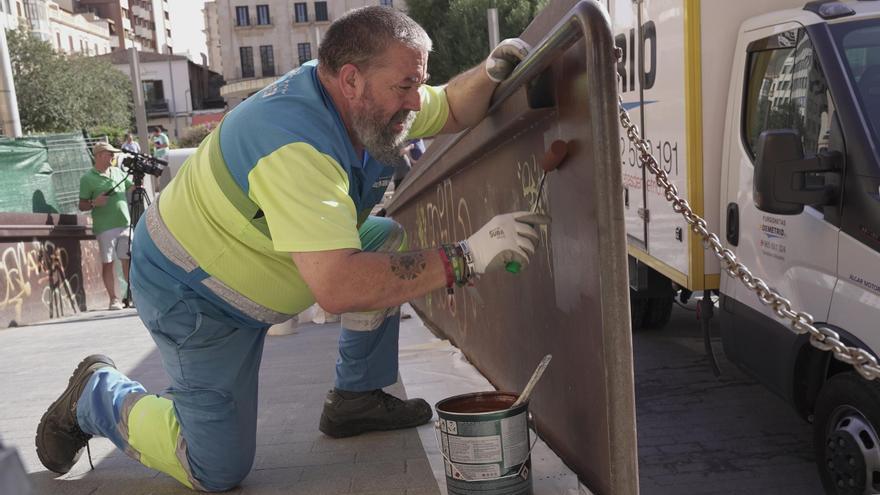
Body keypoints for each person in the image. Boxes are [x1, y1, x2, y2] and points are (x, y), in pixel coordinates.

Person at [35, 7, 545, 492]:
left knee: (383, 238)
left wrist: (494, 69)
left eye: (417, 82)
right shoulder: (295, 143)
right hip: (194, 295)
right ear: (350, 79)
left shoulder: (362, 99)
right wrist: (467, 257)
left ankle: (356, 398)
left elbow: (453, 104)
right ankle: (96, 395)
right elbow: (339, 286)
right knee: (216, 469)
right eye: (406, 85)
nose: (416, 100)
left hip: (264, 266)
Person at [77, 142, 133, 311]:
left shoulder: (118, 172)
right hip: (105, 227)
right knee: (108, 262)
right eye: (110, 154)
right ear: (100, 155)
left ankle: (132, 296)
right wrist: (95, 202)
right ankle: (114, 299)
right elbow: (82, 205)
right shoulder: (88, 178)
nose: (113, 157)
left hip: (125, 224)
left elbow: (133, 188)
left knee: (128, 262)